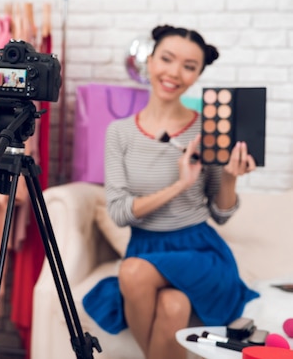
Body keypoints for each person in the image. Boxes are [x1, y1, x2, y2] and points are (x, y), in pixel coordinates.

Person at [82, 24, 260, 359]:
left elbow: (220, 214)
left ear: (197, 75)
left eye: (189, 66)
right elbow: (119, 213)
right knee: (172, 304)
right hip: (145, 245)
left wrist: (231, 177)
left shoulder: (208, 129)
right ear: (149, 61)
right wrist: (180, 184)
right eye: (167, 59)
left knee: (132, 271)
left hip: (200, 250)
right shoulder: (119, 133)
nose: (174, 72)